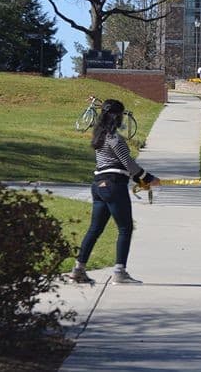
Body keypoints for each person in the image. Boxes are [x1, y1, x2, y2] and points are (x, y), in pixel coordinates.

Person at [69, 99, 159, 285]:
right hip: (114, 185)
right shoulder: (114, 138)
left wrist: (139, 181)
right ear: (117, 116)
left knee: (95, 229)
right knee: (125, 228)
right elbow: (128, 164)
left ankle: (78, 269)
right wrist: (148, 178)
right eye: (122, 115)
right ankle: (120, 272)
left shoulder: (99, 137)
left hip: (98, 186)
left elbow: (117, 164)